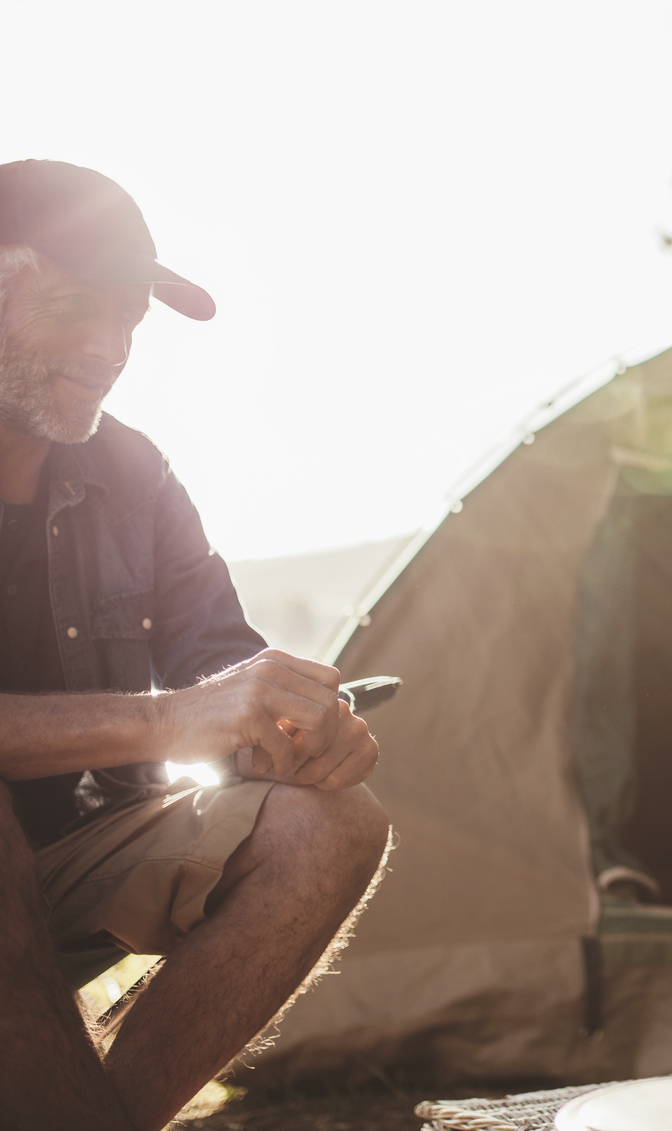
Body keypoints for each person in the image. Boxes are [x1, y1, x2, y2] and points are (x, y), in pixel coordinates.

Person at [0, 160, 390, 1131]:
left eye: (130, 315)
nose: (111, 347)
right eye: (78, 307)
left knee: (332, 825)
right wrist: (176, 717)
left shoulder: (134, 475)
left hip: (67, 859)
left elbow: (223, 668)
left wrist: (296, 728)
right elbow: (184, 709)